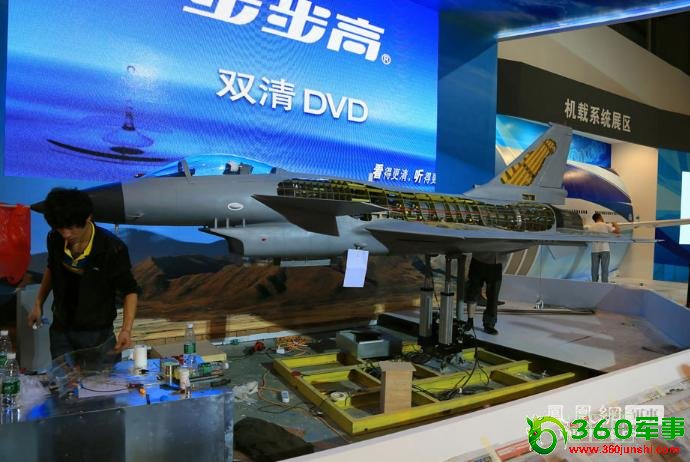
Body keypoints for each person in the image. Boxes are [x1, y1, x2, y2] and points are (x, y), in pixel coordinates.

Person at [28, 188, 138, 363]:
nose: (66, 234)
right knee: (61, 379)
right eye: (60, 228)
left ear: (87, 218)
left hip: (97, 335)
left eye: (71, 228)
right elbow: (52, 268)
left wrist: (126, 330)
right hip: (61, 330)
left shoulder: (112, 248)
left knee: (102, 380)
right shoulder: (54, 238)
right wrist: (38, 303)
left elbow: (130, 290)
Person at [464, 252, 508, 335]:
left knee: (493, 295)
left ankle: (489, 324)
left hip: (496, 263)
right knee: (472, 292)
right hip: (479, 259)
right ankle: (470, 321)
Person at [585, 212, 621, 283]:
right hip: (605, 249)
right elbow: (617, 231)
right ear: (600, 217)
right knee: (604, 268)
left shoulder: (591, 227)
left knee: (594, 269)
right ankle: (604, 284)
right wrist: (615, 224)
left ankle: (594, 283)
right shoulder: (605, 225)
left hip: (594, 250)